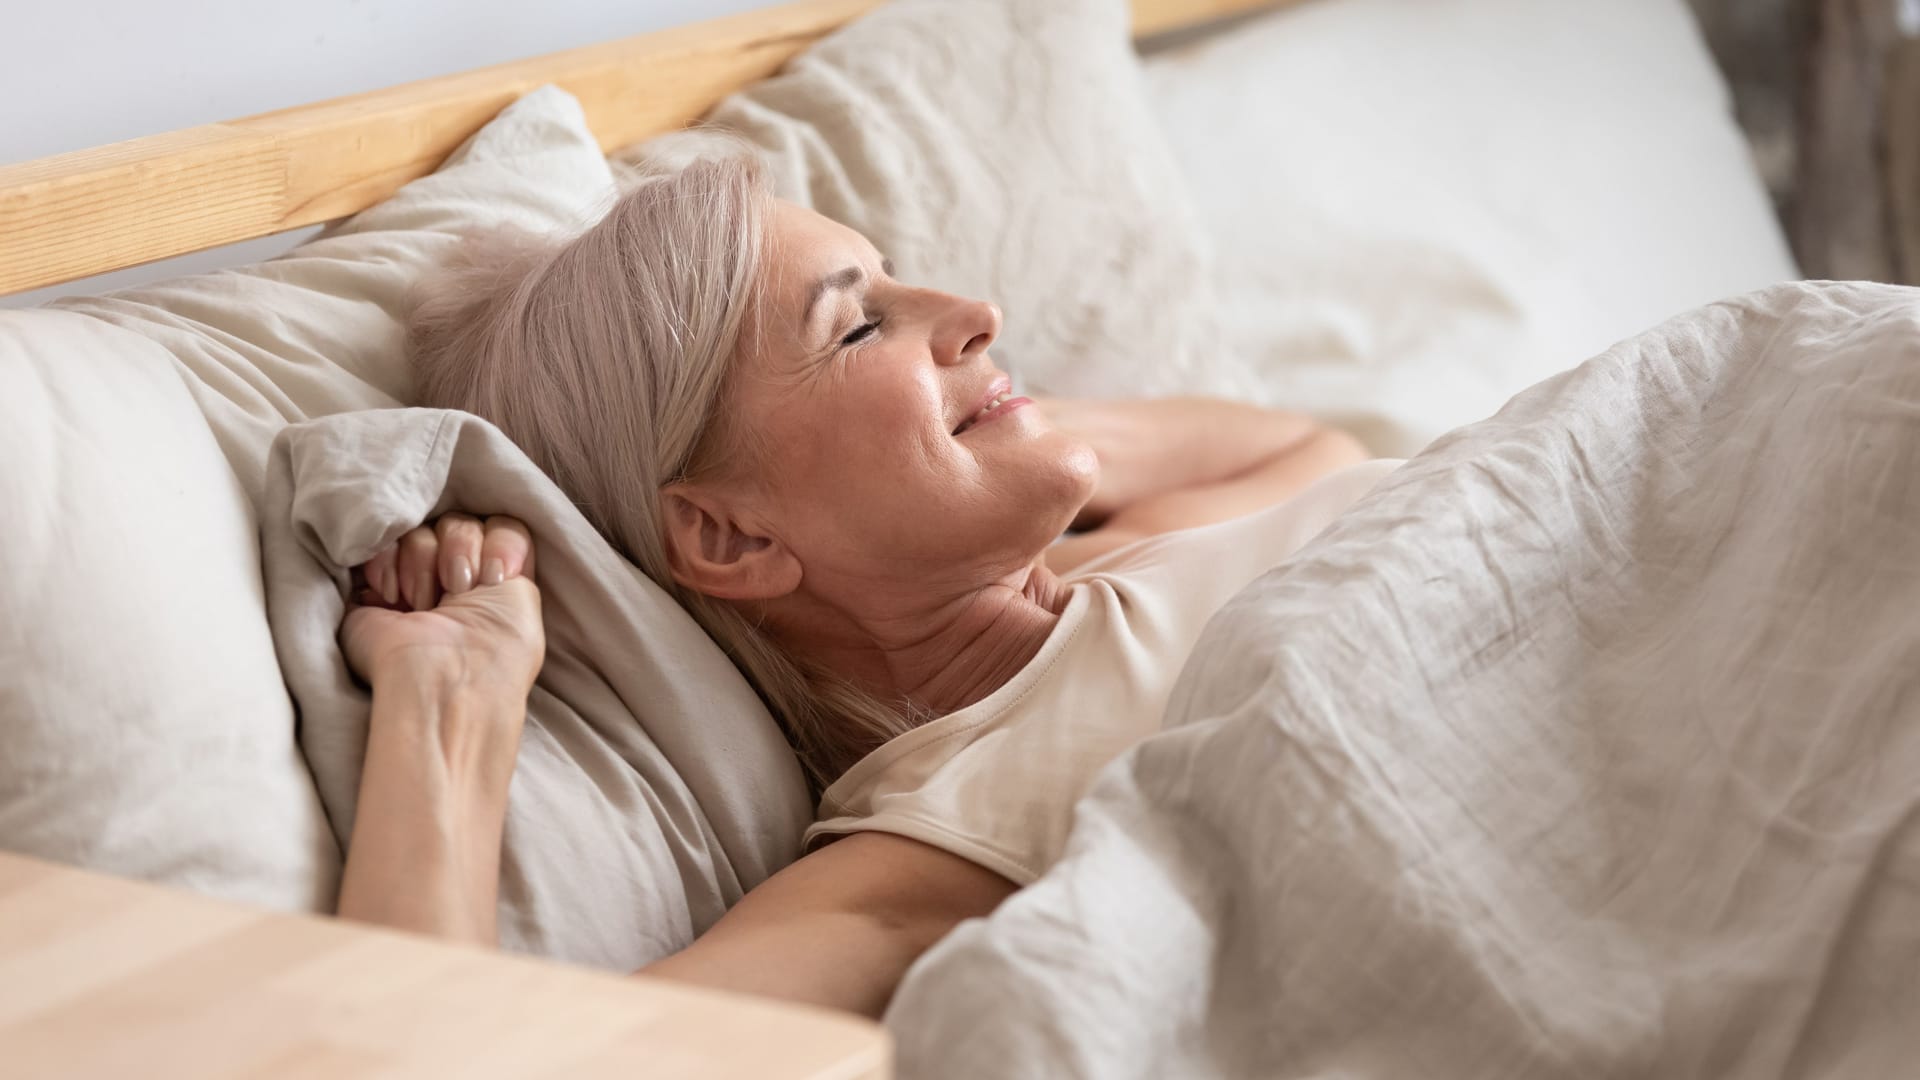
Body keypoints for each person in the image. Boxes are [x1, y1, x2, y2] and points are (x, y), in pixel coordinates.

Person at [335, 156, 1393, 1017]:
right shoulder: (941, 844)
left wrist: (1013, 427)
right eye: (857, 325)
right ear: (732, 537)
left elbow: (1310, 442)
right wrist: (450, 704)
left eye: (894, 281)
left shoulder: (1124, 561)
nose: (976, 311)